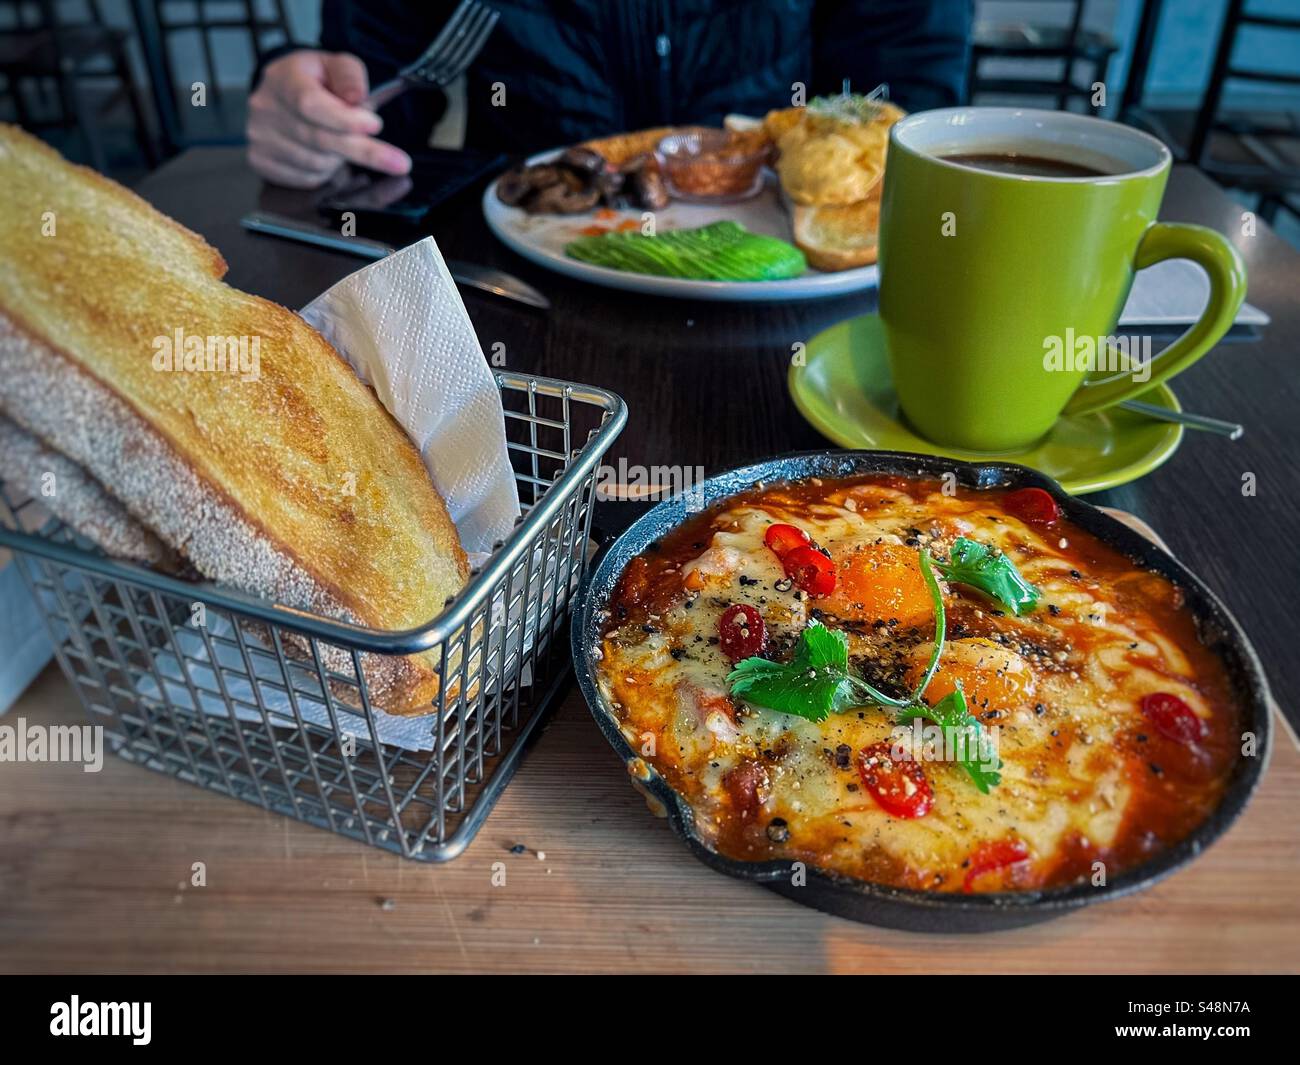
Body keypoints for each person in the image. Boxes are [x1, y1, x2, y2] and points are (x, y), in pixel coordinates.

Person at [247, 0, 972, 188]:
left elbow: (908, 96)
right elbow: (376, 90)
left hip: (790, 305)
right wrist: (318, 116)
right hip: (517, 293)